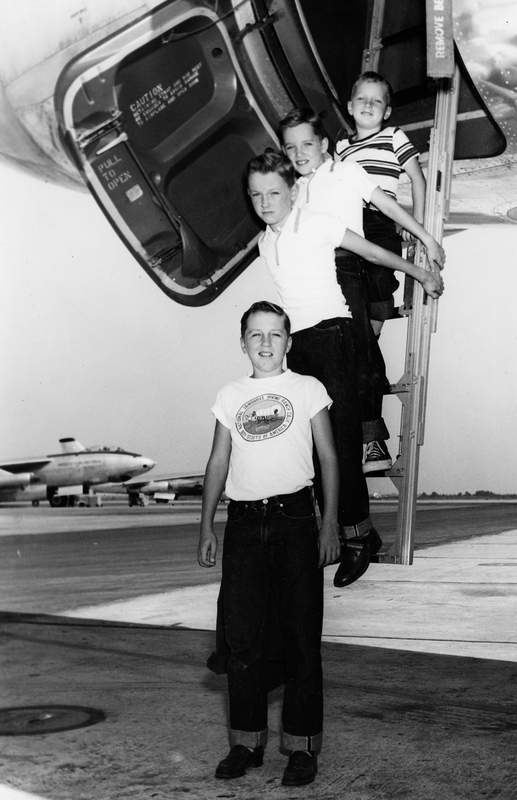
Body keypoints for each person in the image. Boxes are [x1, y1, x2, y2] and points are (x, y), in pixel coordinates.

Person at [244, 151, 443, 588]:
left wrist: (420, 272)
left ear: (292, 191)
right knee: (315, 448)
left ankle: (356, 541)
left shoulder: (315, 221)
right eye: (256, 194)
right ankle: (357, 534)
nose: (265, 202)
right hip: (301, 347)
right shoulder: (265, 242)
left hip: (335, 336)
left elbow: (370, 249)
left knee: (340, 441)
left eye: (274, 192)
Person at [197, 300, 340, 787]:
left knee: (302, 637)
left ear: (289, 342)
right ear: (243, 343)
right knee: (242, 641)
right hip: (243, 526)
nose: (265, 343)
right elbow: (218, 461)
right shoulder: (230, 394)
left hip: (295, 521)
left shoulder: (307, 389)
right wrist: (206, 525)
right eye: (255, 335)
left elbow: (329, 458)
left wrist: (329, 525)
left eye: (275, 334)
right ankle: (245, 742)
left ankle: (301, 748)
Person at [278, 107, 444, 475]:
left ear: (325, 144)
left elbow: (387, 205)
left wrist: (426, 239)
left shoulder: (346, 170)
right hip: (311, 281)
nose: (299, 153)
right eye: (290, 148)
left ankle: (372, 441)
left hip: (346, 266)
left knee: (362, 352)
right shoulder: (294, 189)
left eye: (307, 144)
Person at [335, 71, 426, 334]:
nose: (367, 104)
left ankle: (373, 334)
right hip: (349, 219)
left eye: (376, 101)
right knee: (347, 277)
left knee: (378, 275)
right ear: (350, 107)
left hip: (380, 219)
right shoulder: (342, 147)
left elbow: (417, 179)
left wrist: (415, 222)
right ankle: (355, 333)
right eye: (361, 98)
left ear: (386, 112)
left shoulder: (393, 136)